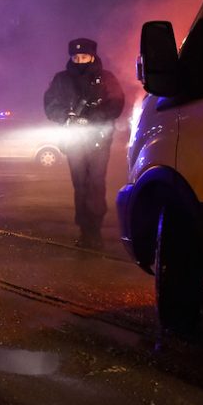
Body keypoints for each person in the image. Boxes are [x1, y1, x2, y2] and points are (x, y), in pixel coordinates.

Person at [43, 37, 125, 250]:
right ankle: (84, 229)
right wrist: (67, 116)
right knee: (80, 184)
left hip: (99, 139)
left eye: (84, 56)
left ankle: (95, 229)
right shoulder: (61, 79)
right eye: (76, 57)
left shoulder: (106, 78)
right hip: (75, 139)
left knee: (96, 183)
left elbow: (117, 104)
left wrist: (94, 117)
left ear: (93, 56)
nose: (79, 60)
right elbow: (50, 105)